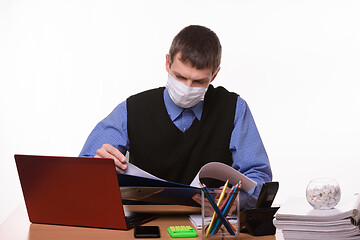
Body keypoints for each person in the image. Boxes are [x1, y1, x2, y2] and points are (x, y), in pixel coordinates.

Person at [79, 25, 272, 209]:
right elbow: (82, 170)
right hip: (145, 220)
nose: (187, 87)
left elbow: (259, 178)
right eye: (179, 77)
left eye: (198, 81)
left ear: (214, 76)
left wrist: (237, 200)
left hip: (209, 223)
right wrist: (98, 165)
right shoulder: (132, 109)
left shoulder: (234, 109)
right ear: (167, 63)